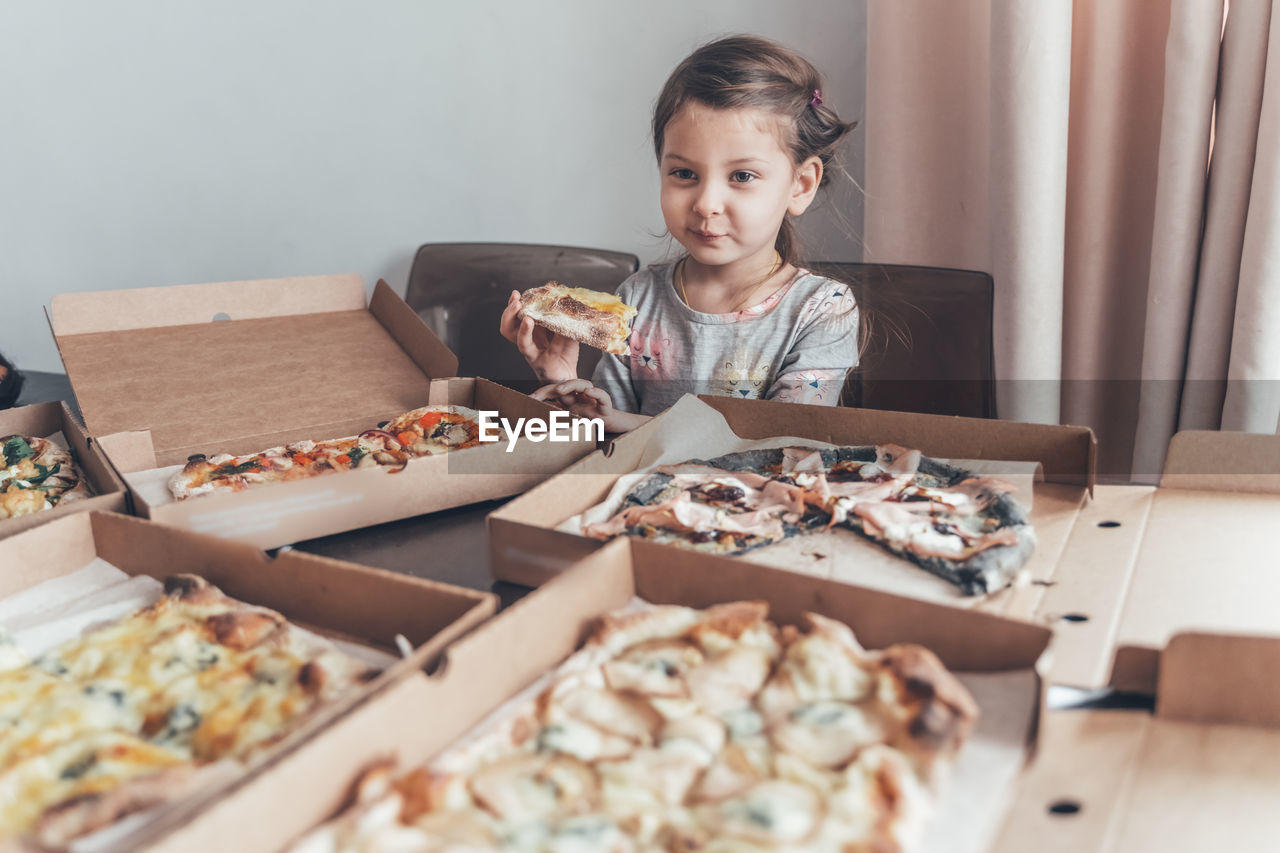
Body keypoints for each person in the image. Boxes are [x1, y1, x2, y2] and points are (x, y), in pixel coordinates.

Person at [501, 34, 860, 432]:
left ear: (801, 184)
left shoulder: (822, 310)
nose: (706, 203)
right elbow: (606, 436)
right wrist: (562, 380)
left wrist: (622, 422)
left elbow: (777, 442)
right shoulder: (637, 299)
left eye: (742, 176)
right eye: (684, 173)